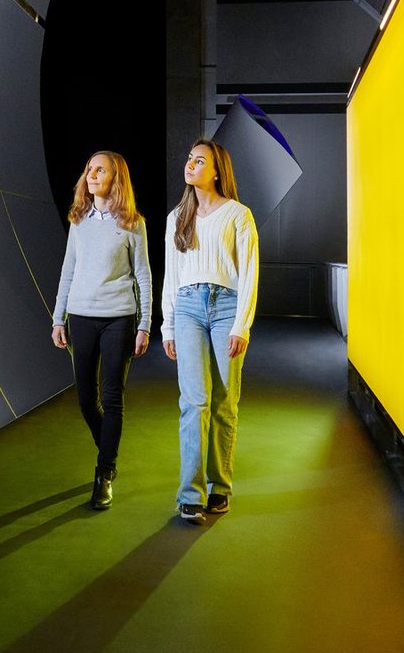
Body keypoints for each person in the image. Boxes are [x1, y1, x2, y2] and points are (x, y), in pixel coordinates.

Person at [161, 138, 258, 524]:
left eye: (199, 161)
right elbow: (172, 274)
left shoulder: (238, 214)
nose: (190, 165)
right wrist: (167, 324)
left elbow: (249, 273)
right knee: (194, 401)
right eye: (189, 158)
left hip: (226, 308)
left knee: (224, 402)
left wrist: (242, 326)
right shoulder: (176, 218)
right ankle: (190, 495)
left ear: (216, 171)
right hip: (187, 307)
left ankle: (220, 487)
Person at [52, 149, 152, 510]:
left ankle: (104, 471)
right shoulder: (78, 221)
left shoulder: (132, 223)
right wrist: (57, 317)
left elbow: (143, 275)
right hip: (80, 318)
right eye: (89, 168)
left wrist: (145, 324)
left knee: (112, 398)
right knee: (84, 400)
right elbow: (67, 270)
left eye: (100, 170)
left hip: (119, 319)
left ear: (116, 178)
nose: (92, 174)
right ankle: (108, 448)